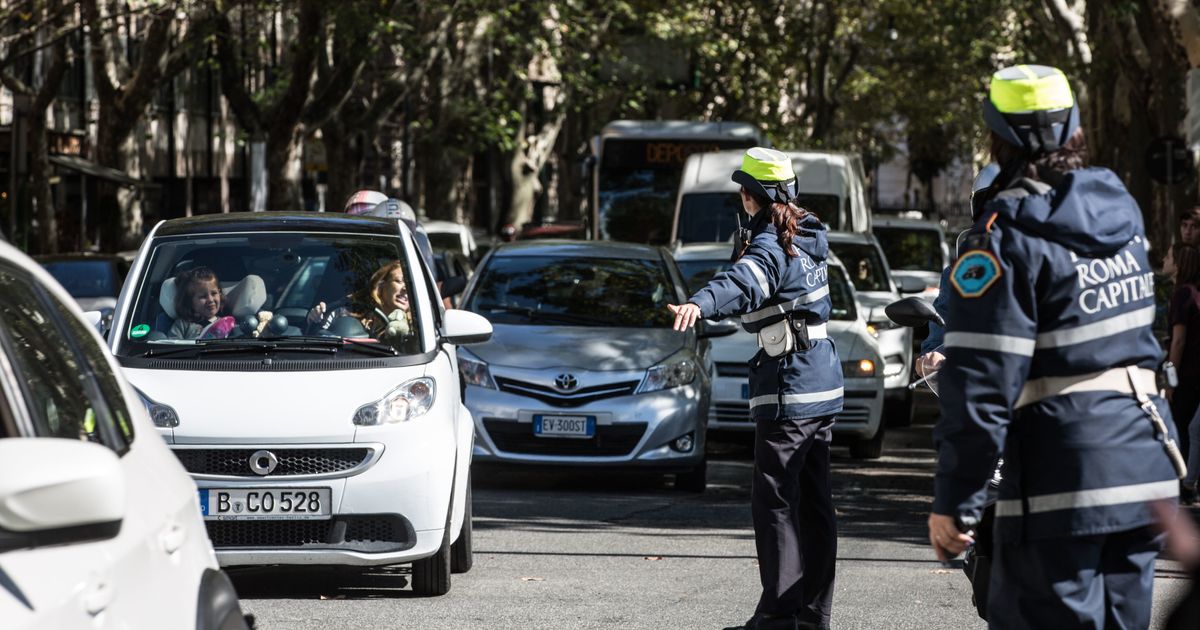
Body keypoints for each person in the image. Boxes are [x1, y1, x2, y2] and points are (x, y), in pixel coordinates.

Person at [931, 64, 1181, 628]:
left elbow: (979, 388)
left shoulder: (1002, 238)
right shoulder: (1121, 211)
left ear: (997, 134)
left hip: (1062, 480)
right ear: (1073, 125)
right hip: (1144, 470)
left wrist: (956, 501)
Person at [667, 147, 843, 630]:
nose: (739, 200)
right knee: (813, 503)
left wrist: (699, 303)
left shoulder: (773, 244)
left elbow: (745, 280)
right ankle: (812, 616)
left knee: (775, 501)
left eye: (743, 193)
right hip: (820, 383)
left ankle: (779, 616)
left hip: (790, 385)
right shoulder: (808, 237)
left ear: (753, 197)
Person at [1166, 243, 1200, 502]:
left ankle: (1181, 485)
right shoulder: (1195, 294)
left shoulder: (1182, 295)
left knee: (1178, 428)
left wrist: (1170, 381)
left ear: (1178, 264)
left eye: (1168, 256)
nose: (1164, 260)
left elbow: (1178, 342)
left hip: (1186, 374)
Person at [307, 261, 413, 343]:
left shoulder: (419, 326)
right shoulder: (348, 310)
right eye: (399, 281)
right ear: (381, 285)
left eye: (411, 285)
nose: (406, 288)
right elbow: (316, 336)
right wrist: (316, 317)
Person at [168, 267, 231, 339]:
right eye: (203, 296)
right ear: (189, 301)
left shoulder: (226, 324)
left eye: (214, 293)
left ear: (219, 293)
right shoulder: (182, 325)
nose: (210, 300)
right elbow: (173, 345)